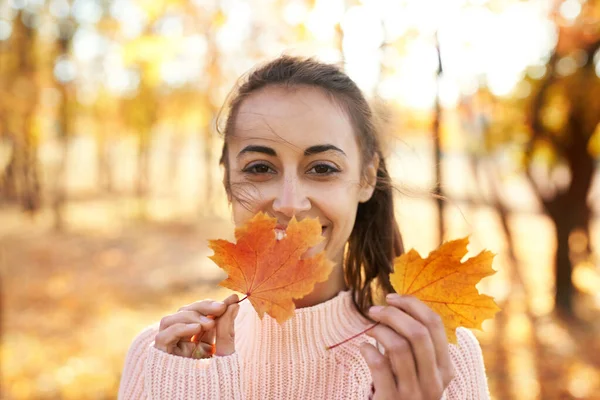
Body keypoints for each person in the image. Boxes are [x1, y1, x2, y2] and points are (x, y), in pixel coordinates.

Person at [118, 56, 490, 400]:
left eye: (323, 168)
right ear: (228, 183)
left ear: (366, 178)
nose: (290, 203)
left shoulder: (434, 355)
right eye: (260, 168)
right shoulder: (165, 357)